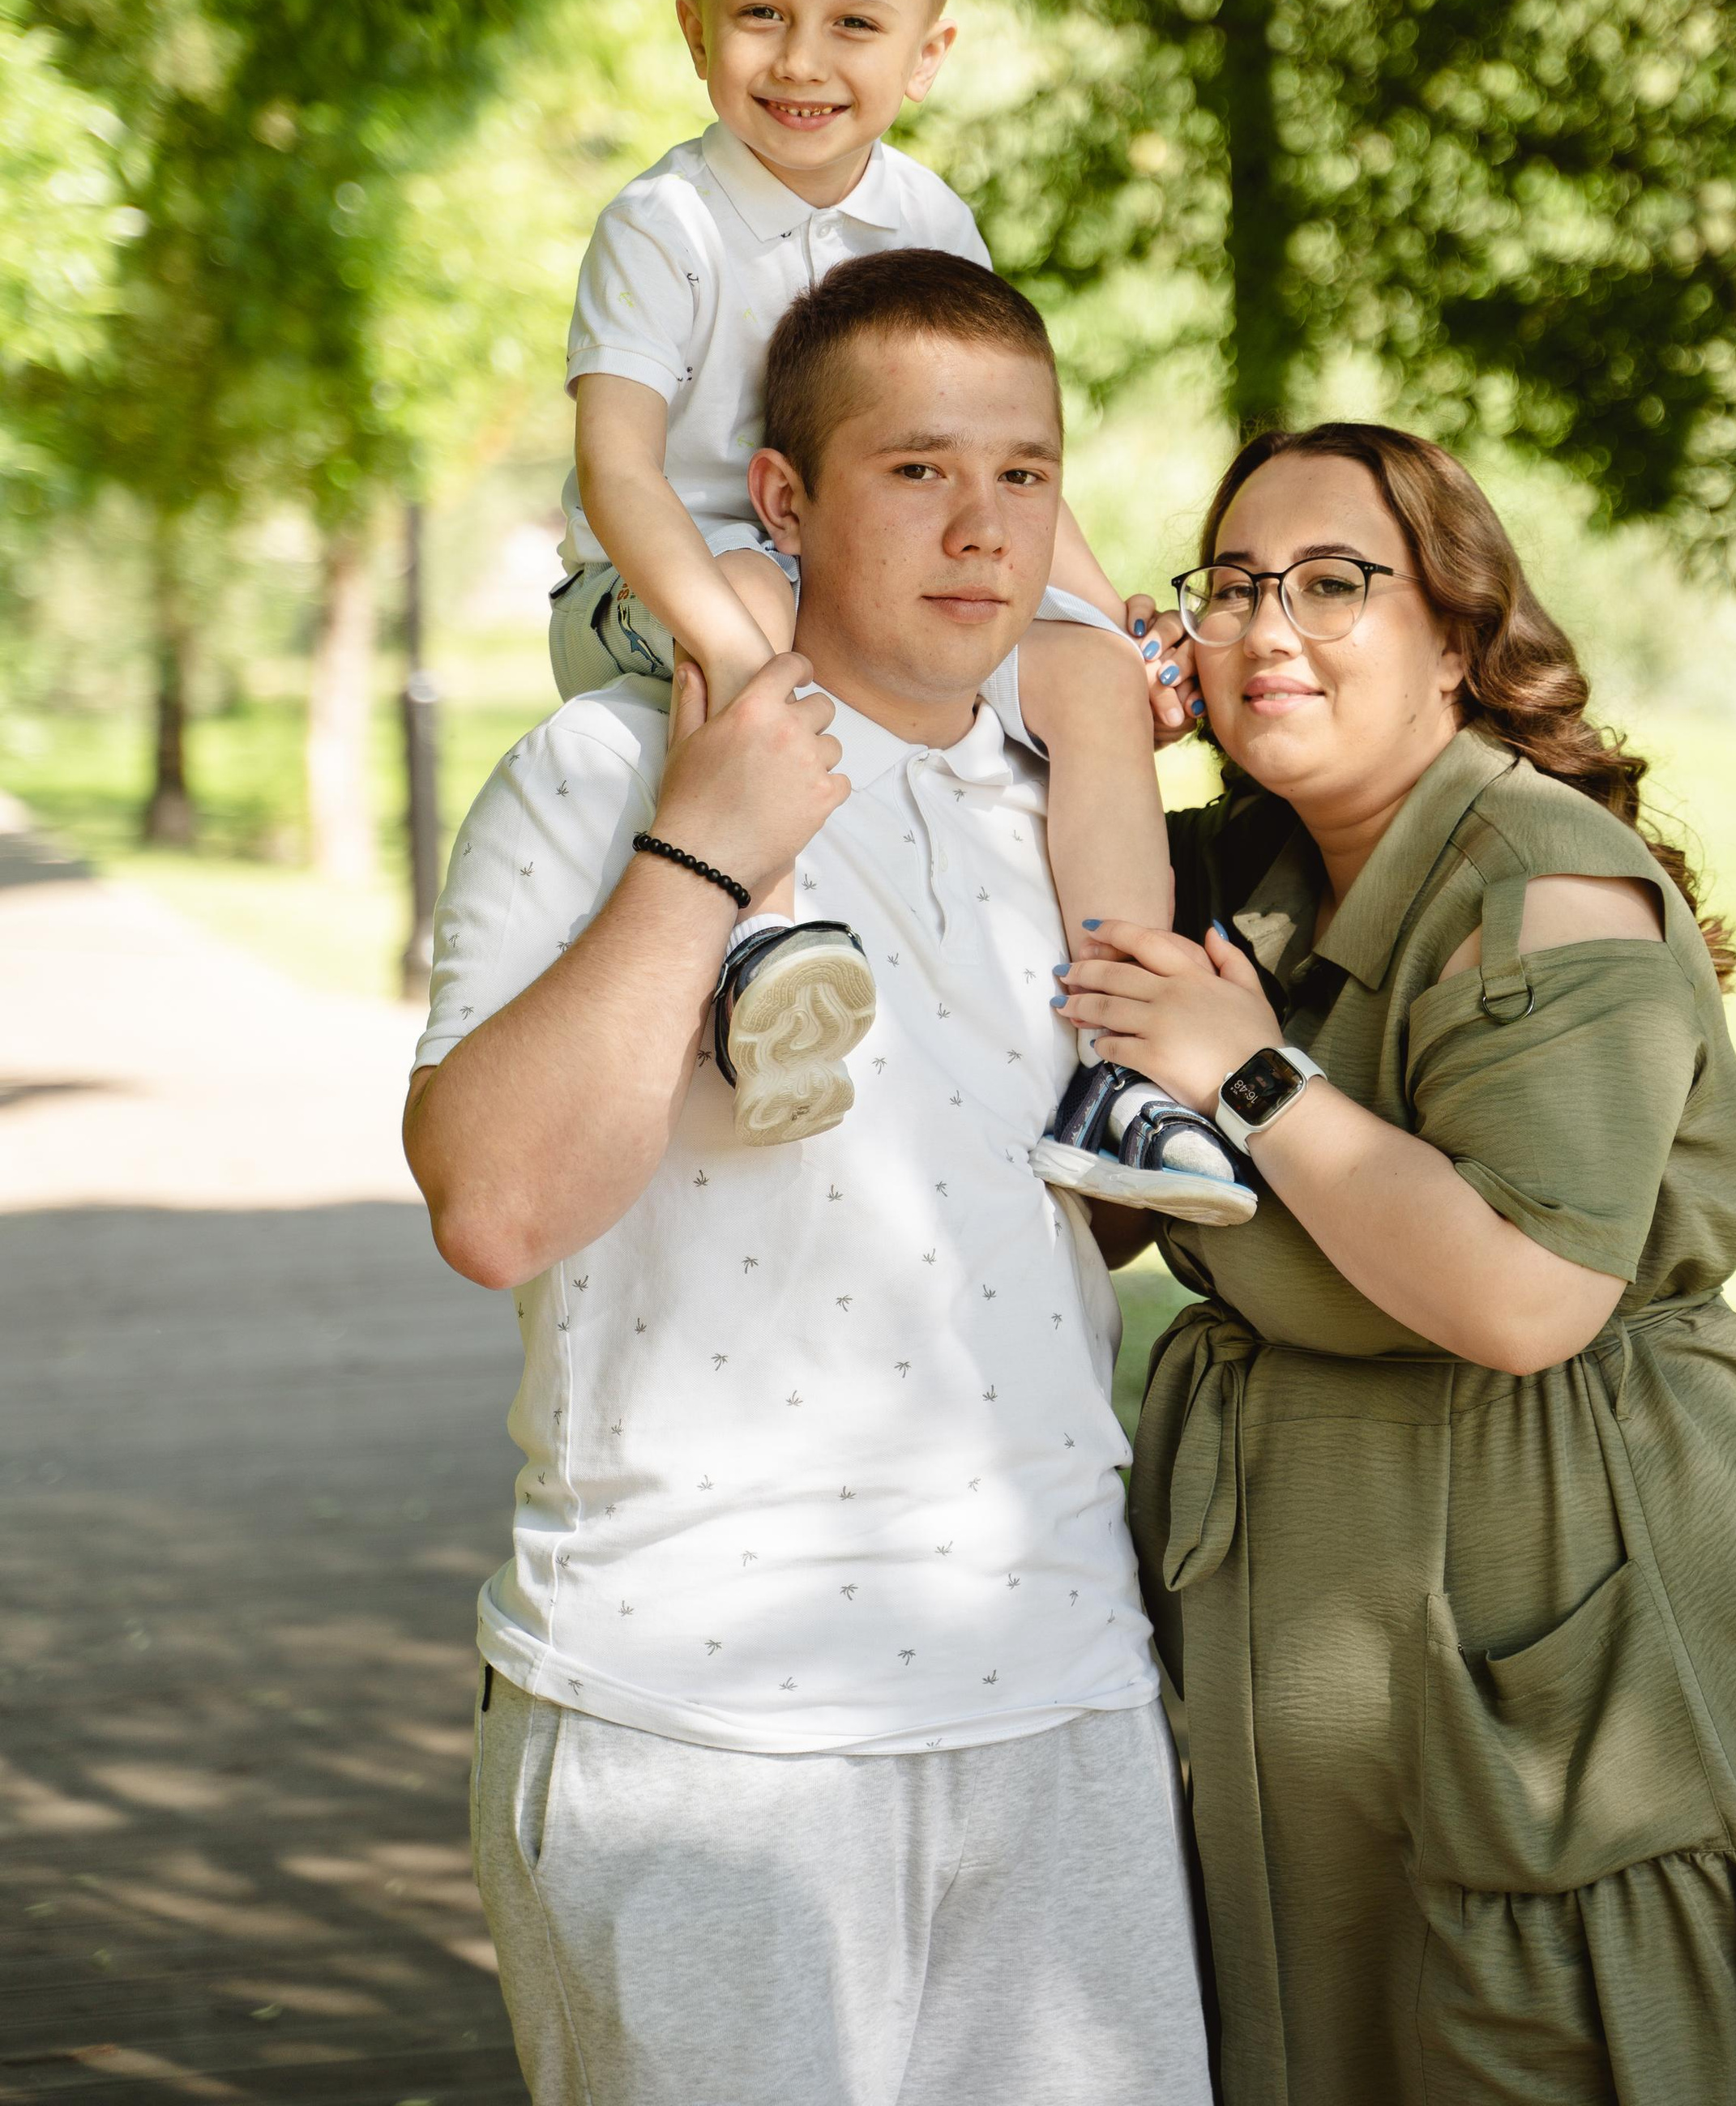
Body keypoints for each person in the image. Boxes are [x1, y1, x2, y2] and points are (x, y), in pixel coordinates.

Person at [1055, 421, 1736, 2106]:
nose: (1268, 627)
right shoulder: (1238, 875)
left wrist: (1242, 1076)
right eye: (1231, 586)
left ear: (1457, 640)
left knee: (1556, 2036)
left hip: (1575, 1587)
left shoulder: (1545, 884)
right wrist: (1093, 701)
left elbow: (1523, 1298)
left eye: (1335, 584)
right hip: (1327, 1596)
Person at [404, 251, 1214, 2106]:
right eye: (918, 468)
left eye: (1023, 474)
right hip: (690, 1721)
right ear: (783, 499)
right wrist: (701, 852)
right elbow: (494, 1208)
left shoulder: (1075, 823)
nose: (981, 527)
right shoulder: (599, 770)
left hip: (1058, 1695)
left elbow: (1062, 1220)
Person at [547, 0, 1191, 1147]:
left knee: (1090, 682)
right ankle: (762, 954)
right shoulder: (665, 226)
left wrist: (1113, 617)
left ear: (928, 50)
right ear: (691, 27)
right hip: (671, 580)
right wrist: (736, 640)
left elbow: (1001, 466)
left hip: (863, 576)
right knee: (760, 609)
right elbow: (620, 472)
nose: (803, 61)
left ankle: (1127, 1054)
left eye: (854, 25)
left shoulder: (929, 218)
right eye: (761, 15)